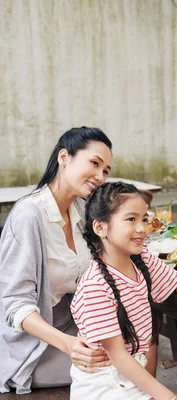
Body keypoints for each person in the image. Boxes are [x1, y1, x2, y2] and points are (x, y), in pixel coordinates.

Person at [70, 182, 177, 400]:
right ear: (100, 227)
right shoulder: (95, 287)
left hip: (132, 372)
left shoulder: (141, 259)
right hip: (106, 384)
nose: (142, 228)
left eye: (144, 219)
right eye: (131, 219)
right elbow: (119, 357)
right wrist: (168, 397)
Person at [0, 127, 113, 394]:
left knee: (137, 343)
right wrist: (68, 344)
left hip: (74, 326)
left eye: (106, 170)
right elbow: (14, 304)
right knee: (114, 368)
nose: (100, 176)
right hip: (32, 343)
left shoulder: (82, 210)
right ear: (64, 157)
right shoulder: (29, 216)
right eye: (95, 163)